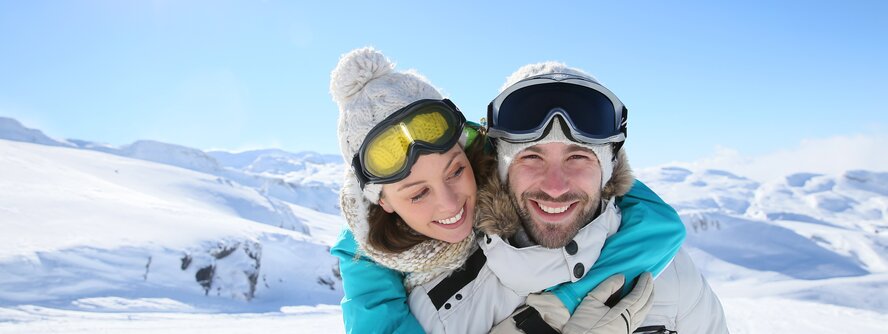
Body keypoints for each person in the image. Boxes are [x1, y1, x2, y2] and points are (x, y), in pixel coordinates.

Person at [329, 48, 686, 333]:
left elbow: (659, 224)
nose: (450, 203)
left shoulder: (497, 166)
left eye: (455, 171)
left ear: (470, 150)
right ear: (381, 203)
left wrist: (562, 304)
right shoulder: (370, 265)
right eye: (417, 194)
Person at [480, 62, 730, 333]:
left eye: (578, 157)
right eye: (531, 156)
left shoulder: (673, 276)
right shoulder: (461, 280)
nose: (555, 187)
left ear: (607, 171)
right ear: (502, 169)